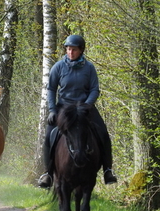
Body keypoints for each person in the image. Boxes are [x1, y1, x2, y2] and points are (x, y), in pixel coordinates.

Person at [38, 34, 118, 188]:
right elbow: (51, 89)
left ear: (81, 50)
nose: (70, 52)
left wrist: (87, 105)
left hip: (85, 108)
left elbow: (95, 89)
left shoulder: (89, 68)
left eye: (73, 49)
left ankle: (108, 170)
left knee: (103, 133)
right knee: (49, 135)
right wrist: (52, 110)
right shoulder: (58, 67)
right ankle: (47, 173)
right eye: (68, 49)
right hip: (64, 109)